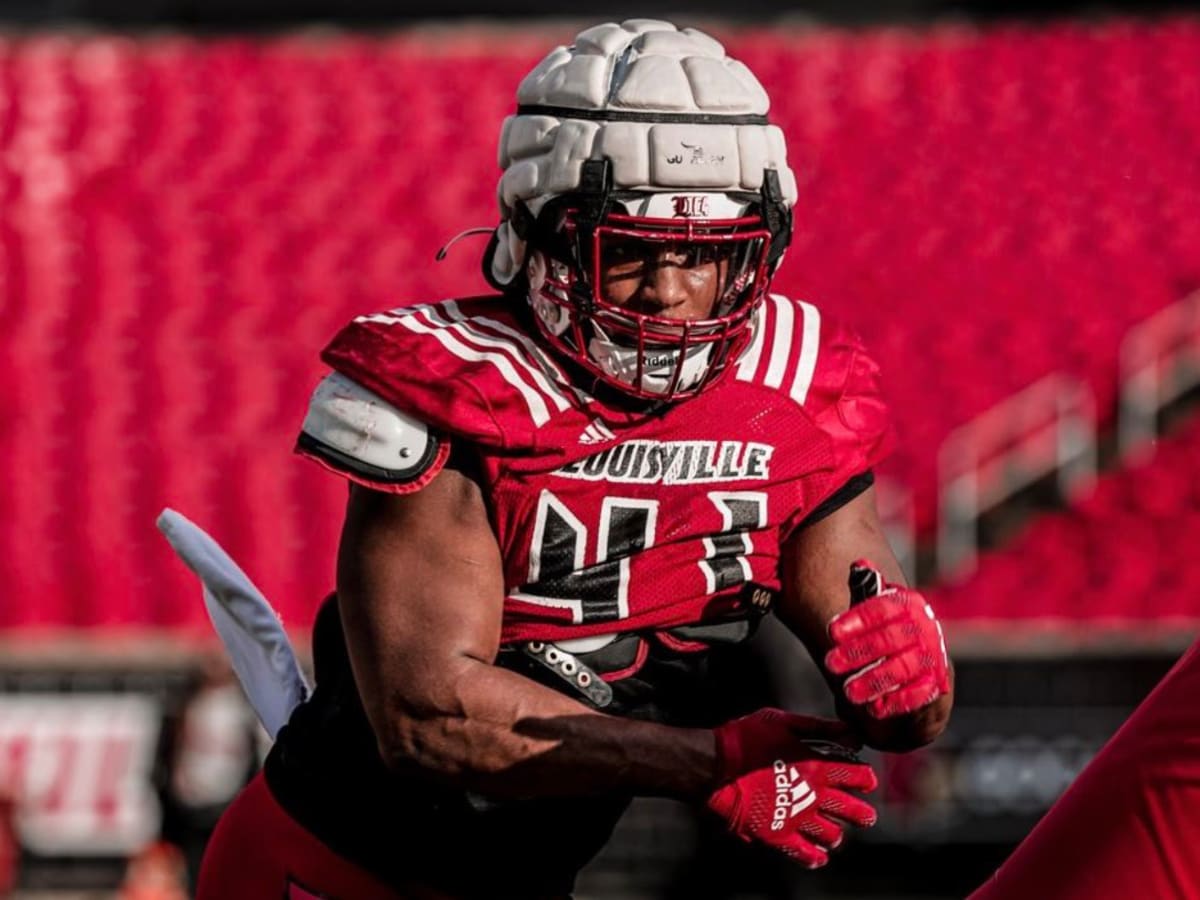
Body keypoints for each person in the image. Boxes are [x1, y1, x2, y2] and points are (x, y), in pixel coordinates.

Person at [193, 19, 952, 900]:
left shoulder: (793, 392)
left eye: (705, 258)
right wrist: (708, 764)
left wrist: (910, 679)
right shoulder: (462, 387)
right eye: (627, 249)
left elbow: (895, 696)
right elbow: (427, 719)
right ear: (540, 232)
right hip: (334, 871)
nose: (670, 293)